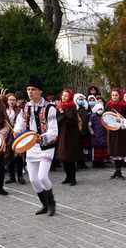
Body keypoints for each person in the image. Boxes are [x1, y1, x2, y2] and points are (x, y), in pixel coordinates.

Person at [13, 75, 58, 216]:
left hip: (45, 146)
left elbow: (54, 131)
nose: (30, 92)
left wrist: (42, 138)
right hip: (31, 146)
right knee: (33, 179)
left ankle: (52, 203)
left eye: (33, 89)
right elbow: (19, 123)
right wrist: (17, 131)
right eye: (28, 89)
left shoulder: (50, 108)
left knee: (43, 177)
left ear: (40, 91)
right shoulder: (25, 107)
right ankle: (44, 204)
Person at [56, 89, 82, 186]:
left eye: (66, 96)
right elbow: (59, 119)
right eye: (63, 95)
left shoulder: (72, 106)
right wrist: (61, 112)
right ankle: (67, 176)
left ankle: (73, 178)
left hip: (71, 135)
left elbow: (70, 119)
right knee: (63, 156)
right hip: (62, 133)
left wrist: (61, 111)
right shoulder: (59, 107)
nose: (63, 97)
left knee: (70, 156)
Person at [105, 88, 126, 180]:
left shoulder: (124, 106)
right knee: (114, 150)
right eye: (113, 95)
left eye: (116, 95)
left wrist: (121, 120)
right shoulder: (108, 105)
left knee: (120, 149)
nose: (114, 97)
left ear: (119, 95)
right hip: (112, 130)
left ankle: (119, 170)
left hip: (122, 131)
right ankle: (116, 170)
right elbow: (105, 116)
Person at [5, 92, 26, 185]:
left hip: (17, 134)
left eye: (14, 100)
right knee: (9, 155)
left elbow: (21, 122)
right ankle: (12, 176)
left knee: (18, 155)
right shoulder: (4, 111)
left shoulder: (19, 111)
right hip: (7, 135)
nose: (12, 101)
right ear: (7, 101)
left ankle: (20, 176)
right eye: (10, 100)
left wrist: (17, 130)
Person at [88, 103, 109, 168]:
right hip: (95, 136)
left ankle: (102, 162)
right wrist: (93, 134)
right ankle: (95, 163)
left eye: (101, 109)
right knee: (97, 150)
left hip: (103, 135)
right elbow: (90, 126)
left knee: (103, 150)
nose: (100, 110)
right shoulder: (92, 116)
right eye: (99, 109)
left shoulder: (104, 116)